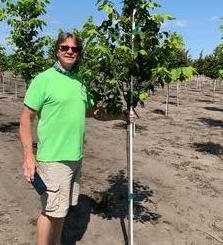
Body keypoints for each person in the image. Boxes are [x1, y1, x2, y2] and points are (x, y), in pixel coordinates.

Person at [19, 32, 136, 245]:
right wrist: (29, 157)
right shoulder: (43, 80)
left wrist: (121, 115)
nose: (69, 51)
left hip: (75, 157)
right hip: (53, 158)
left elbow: (94, 112)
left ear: (79, 54)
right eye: (65, 47)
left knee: (61, 211)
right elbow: (26, 119)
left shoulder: (80, 82)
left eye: (74, 49)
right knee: (50, 211)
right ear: (57, 50)